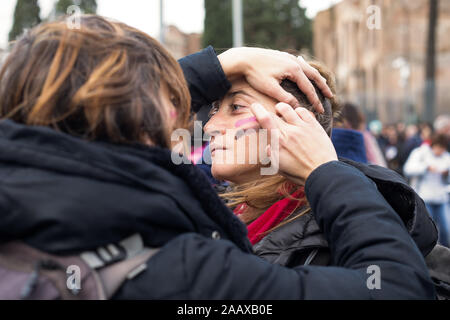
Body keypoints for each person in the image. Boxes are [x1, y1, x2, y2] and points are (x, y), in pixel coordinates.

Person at [0, 15, 436, 299]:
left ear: (294, 122)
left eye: (235, 107)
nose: (200, 124)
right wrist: (329, 171)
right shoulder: (189, 257)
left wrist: (223, 64)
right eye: (166, 102)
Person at [204, 62, 439, 268]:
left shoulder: (335, 239)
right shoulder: (211, 213)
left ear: (296, 122)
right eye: (215, 108)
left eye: (236, 107)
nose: (209, 126)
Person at [404, 134, 450, 247]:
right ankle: (430, 253)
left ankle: (446, 255)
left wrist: (446, 174)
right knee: (428, 231)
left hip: (441, 198)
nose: (440, 151)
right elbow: (408, 169)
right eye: (439, 147)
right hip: (424, 198)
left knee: (446, 230)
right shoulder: (420, 153)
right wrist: (426, 168)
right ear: (433, 145)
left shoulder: (446, 157)